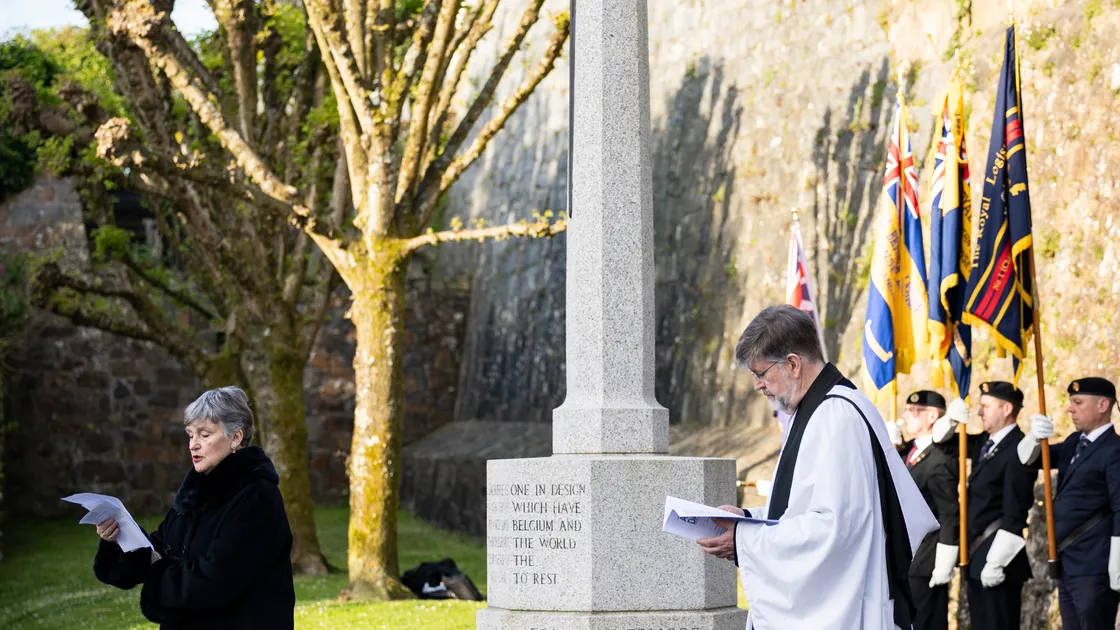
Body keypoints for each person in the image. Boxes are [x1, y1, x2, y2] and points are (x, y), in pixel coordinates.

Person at [698, 305, 938, 630]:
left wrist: (744, 540)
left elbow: (835, 529)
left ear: (793, 364)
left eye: (761, 373)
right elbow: (806, 507)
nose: (758, 386)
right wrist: (749, 519)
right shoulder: (817, 408)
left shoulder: (836, 416)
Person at [92, 386, 296, 629]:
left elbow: (219, 579)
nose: (193, 445)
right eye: (190, 435)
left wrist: (159, 571)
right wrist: (119, 538)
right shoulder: (195, 492)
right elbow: (161, 547)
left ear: (236, 437)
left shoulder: (257, 497)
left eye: (205, 435)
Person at [1017, 377, 1120, 630]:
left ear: (1103, 405)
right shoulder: (1075, 443)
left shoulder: (1115, 450)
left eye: (1078, 402)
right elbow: (1029, 460)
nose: (1069, 408)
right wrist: (1033, 436)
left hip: (1095, 564)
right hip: (1067, 560)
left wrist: (1117, 563)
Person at [933, 381, 1035, 630]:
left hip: (998, 558)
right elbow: (944, 444)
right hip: (977, 556)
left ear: (1007, 408)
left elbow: (1016, 507)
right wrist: (951, 420)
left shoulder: (1019, 448)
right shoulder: (985, 444)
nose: (979, 412)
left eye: (986, 406)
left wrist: (997, 560)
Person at [899, 390, 961, 630]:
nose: (906, 415)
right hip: (907, 555)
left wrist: (945, 557)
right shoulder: (909, 452)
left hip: (927, 560)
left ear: (933, 416)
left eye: (914, 411)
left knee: (926, 623)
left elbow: (948, 512)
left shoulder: (939, 459)